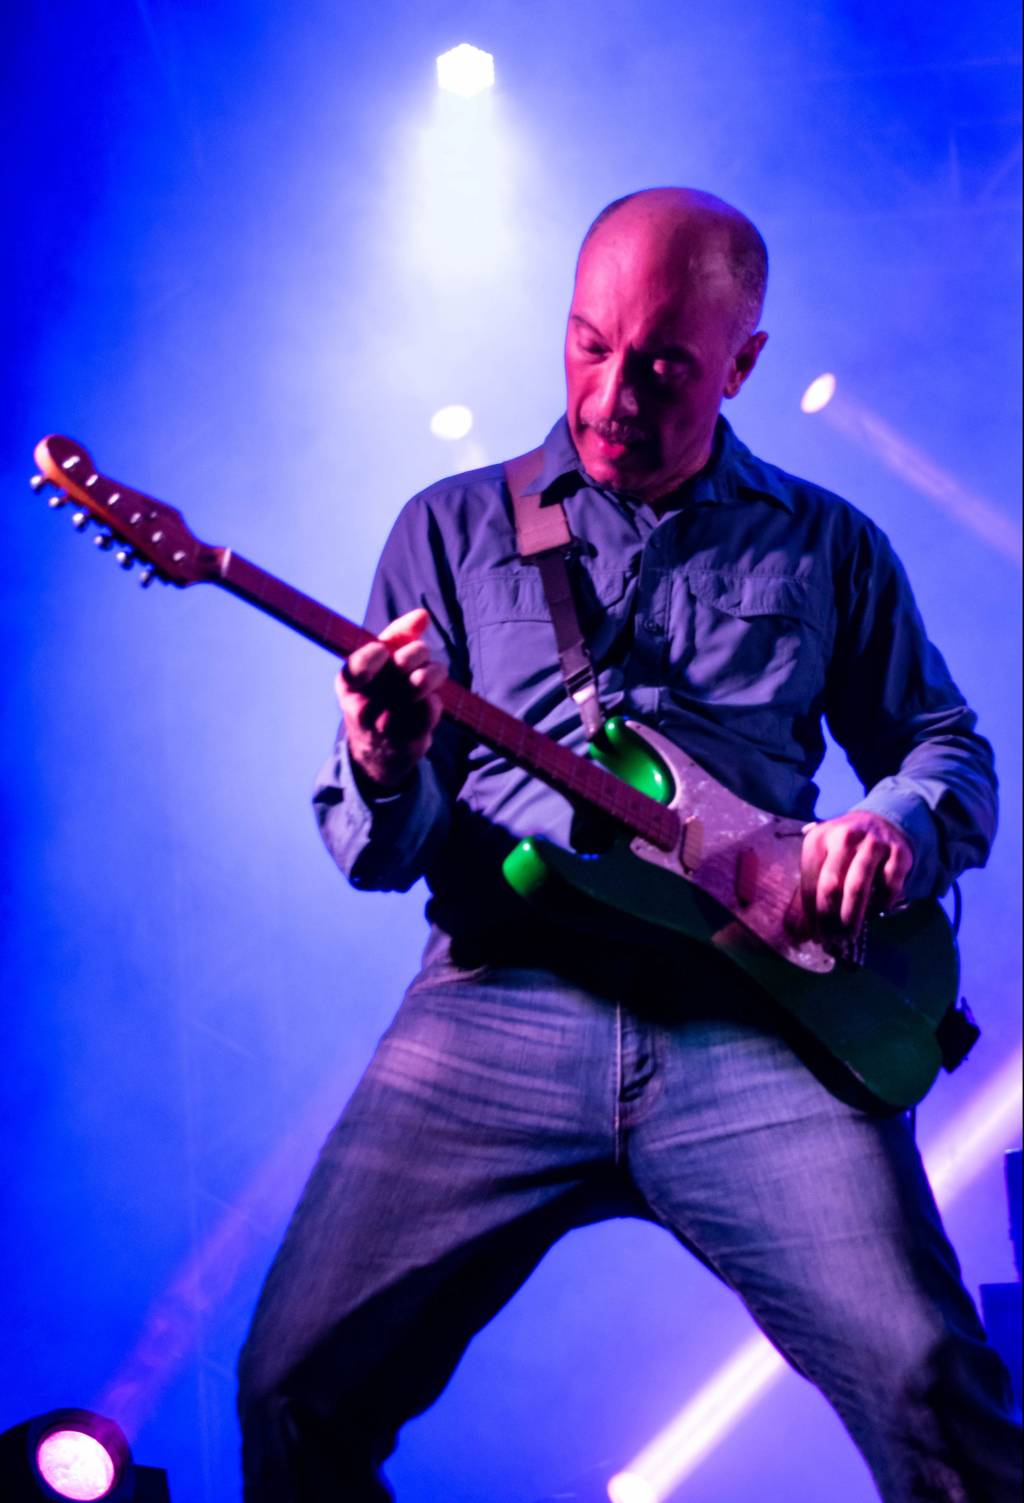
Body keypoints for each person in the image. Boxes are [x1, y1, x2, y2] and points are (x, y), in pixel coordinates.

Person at [237, 188, 1022, 1501]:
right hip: (503, 999)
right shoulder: (450, 530)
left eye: (662, 364)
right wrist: (381, 760)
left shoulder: (828, 543)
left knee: (937, 1393)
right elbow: (381, 854)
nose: (612, 397)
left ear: (744, 362)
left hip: (756, 1018)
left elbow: (951, 754)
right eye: (590, 346)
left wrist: (888, 828)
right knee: (290, 1392)